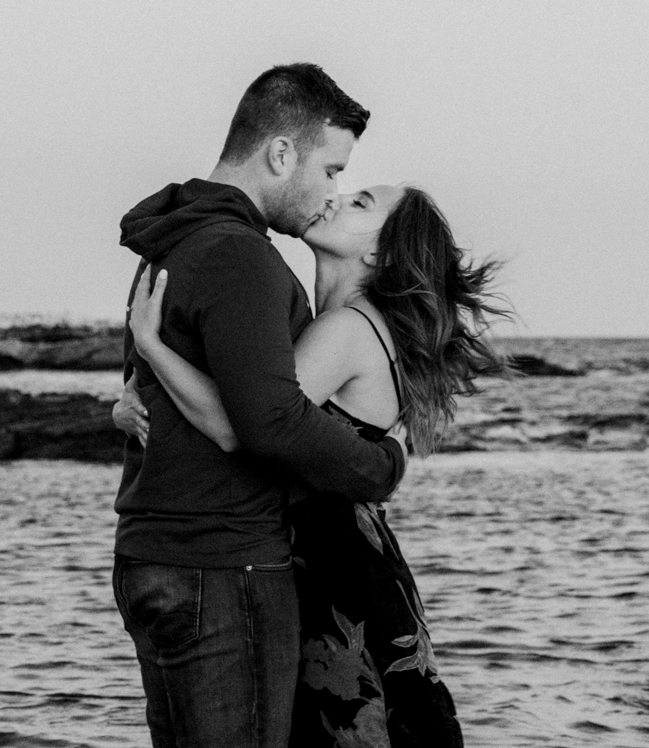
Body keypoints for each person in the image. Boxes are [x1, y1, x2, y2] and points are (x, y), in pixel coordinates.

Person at [115, 179, 509, 748]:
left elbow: (241, 424)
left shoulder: (347, 329)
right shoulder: (357, 324)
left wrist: (153, 347)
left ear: (379, 252)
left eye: (361, 204)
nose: (337, 197)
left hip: (332, 568)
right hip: (347, 558)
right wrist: (133, 401)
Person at [111, 63, 409, 748]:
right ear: (281, 153)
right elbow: (268, 420)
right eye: (330, 169)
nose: (330, 191)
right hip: (223, 568)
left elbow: (139, 389)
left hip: (151, 556)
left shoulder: (173, 239)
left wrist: (143, 369)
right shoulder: (240, 255)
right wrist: (380, 463)